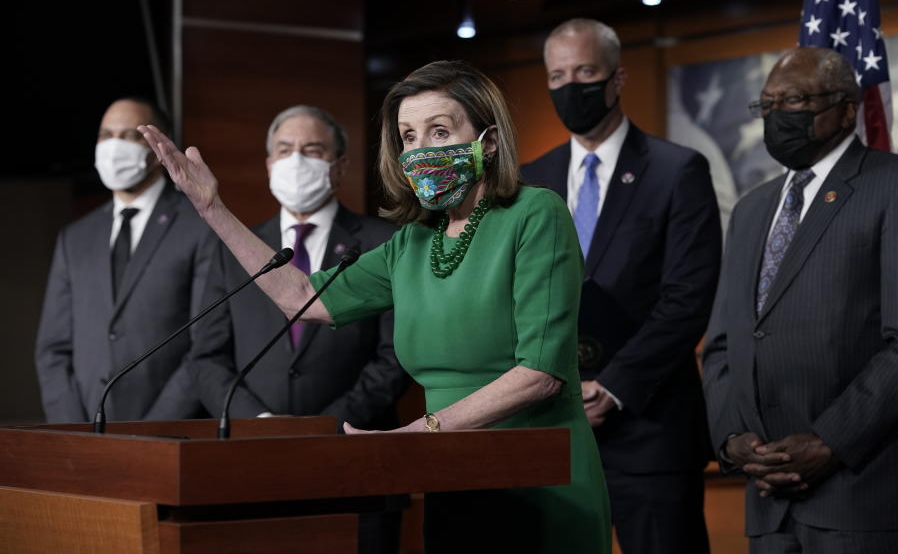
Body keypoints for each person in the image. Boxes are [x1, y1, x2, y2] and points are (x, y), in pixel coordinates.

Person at [138, 60, 611, 553]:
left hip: (543, 471)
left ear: (487, 141)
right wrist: (212, 207)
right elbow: (300, 297)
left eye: (439, 131)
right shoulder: (411, 243)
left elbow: (540, 373)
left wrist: (416, 433)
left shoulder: (536, 214)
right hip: (454, 474)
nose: (421, 150)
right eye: (409, 136)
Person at [701, 46, 898, 553]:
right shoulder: (751, 210)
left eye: (792, 101)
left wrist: (828, 442)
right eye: (766, 105)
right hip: (769, 502)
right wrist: (734, 441)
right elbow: (725, 344)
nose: (776, 117)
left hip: (865, 496)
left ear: (845, 108)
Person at [522, 18, 721, 554]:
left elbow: (687, 299)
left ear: (617, 78)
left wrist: (612, 387)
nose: (571, 86)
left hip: (649, 430)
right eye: (557, 75)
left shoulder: (678, 170)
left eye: (585, 71)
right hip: (552, 428)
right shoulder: (527, 181)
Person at [188, 105, 408, 554]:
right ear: (269, 165)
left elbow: (395, 354)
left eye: (312, 149)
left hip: (356, 464)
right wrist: (260, 426)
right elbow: (207, 356)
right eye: (285, 150)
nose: (296, 160)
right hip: (253, 469)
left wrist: (325, 427)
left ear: (341, 165)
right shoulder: (234, 246)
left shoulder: (386, 242)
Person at [35, 97, 216, 422]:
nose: (114, 145)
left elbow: (205, 346)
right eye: (106, 134)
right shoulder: (74, 238)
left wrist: (151, 432)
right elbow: (53, 349)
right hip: (82, 437)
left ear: (159, 146)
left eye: (130, 135)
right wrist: (73, 430)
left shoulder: (200, 227)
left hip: (168, 434)